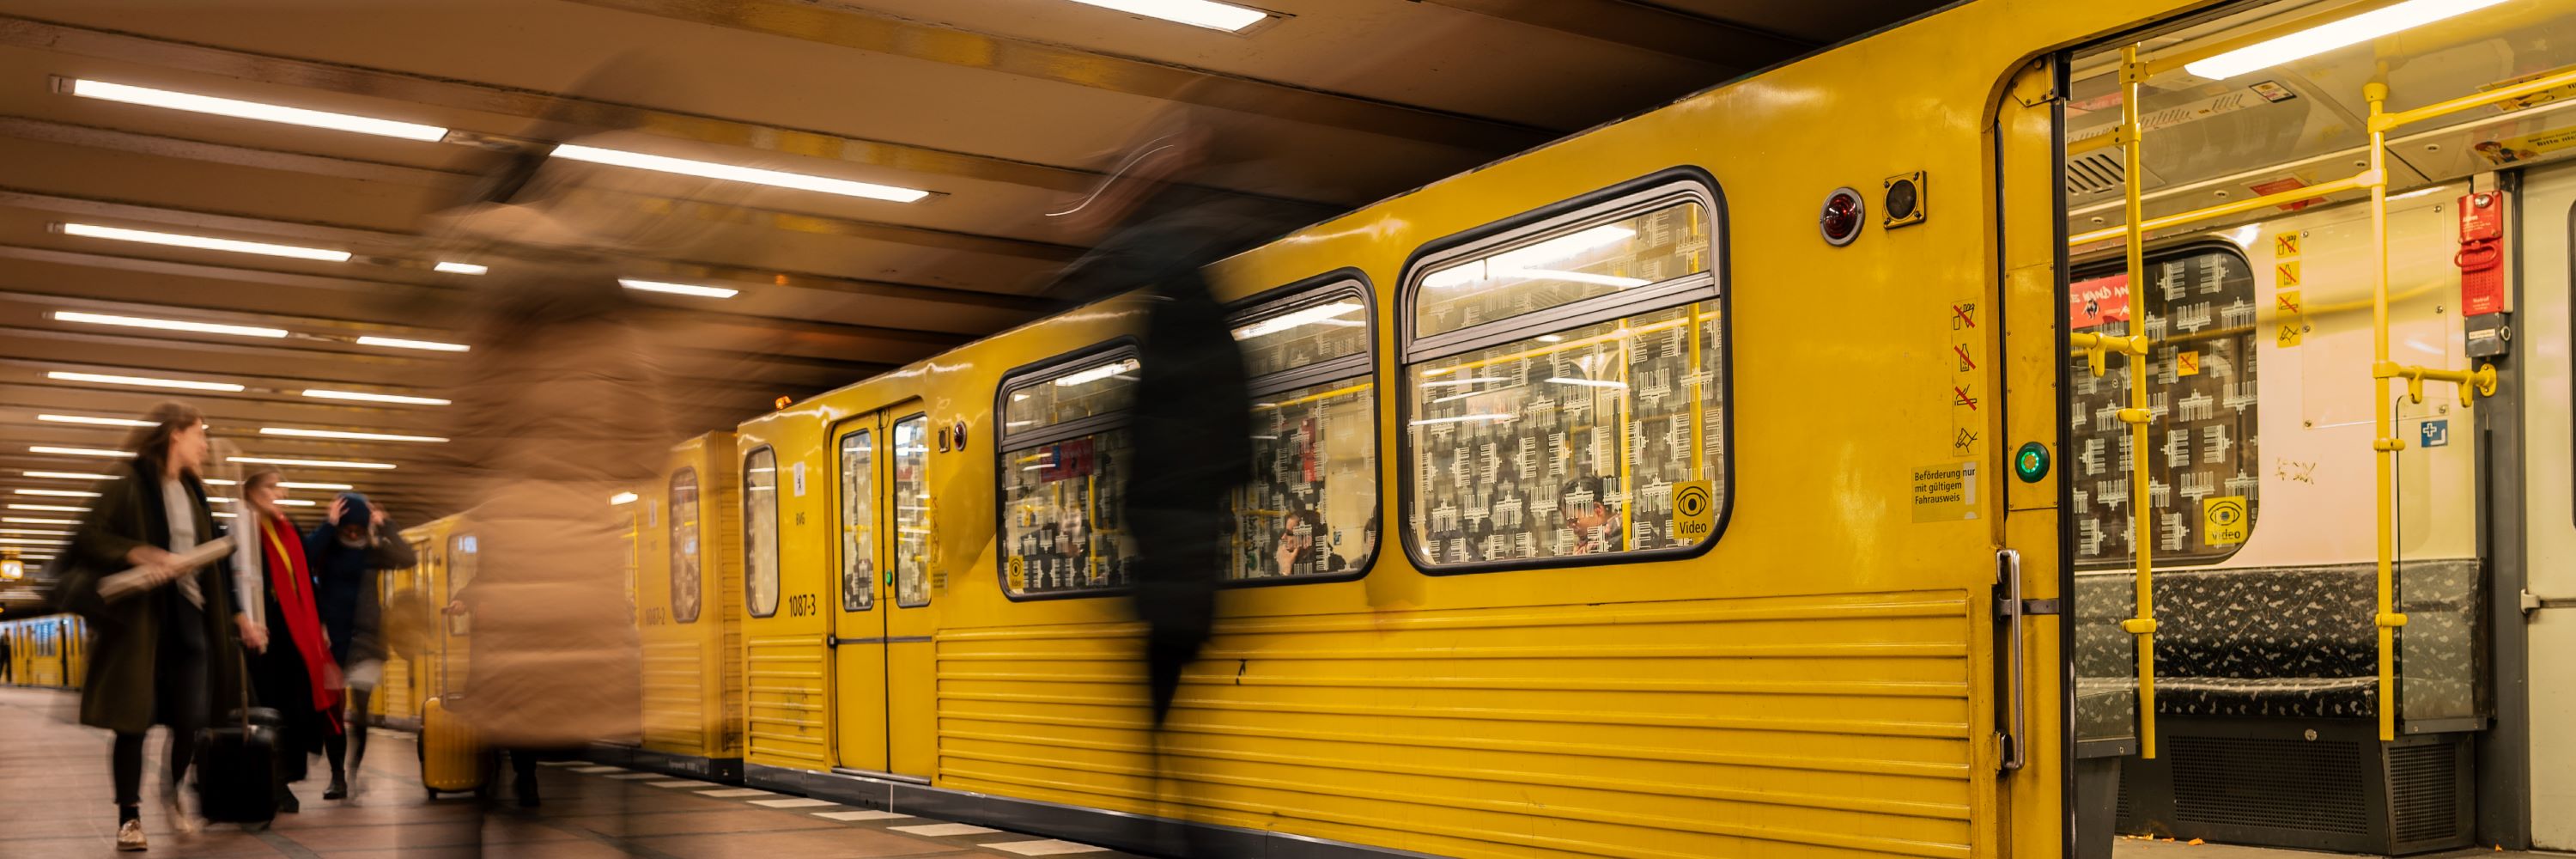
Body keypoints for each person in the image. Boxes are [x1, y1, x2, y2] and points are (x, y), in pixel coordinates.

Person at [60, 401, 246, 852]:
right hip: (143, 622)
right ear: (175, 435)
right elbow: (86, 536)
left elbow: (212, 561)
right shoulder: (127, 483)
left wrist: (237, 613)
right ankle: (129, 817)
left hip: (191, 617)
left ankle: (173, 793)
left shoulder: (194, 492)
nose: (205, 444)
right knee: (133, 721)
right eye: (199, 433)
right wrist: (138, 552)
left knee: (192, 720)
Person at [234, 466, 343, 813]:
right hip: (264, 636)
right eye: (272, 487)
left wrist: (320, 622)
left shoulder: (287, 527)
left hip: (296, 634)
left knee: (297, 706)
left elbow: (306, 578)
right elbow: (236, 581)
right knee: (271, 706)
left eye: (280, 487)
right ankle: (274, 780)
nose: (280, 493)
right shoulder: (240, 530)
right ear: (251, 492)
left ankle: (284, 775)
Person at [304, 490, 414, 800]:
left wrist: (387, 524)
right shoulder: (328, 549)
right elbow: (305, 557)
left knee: (362, 712)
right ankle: (337, 776)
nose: (353, 534)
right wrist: (328, 526)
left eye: (358, 528)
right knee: (333, 712)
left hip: (367, 640)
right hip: (332, 642)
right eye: (347, 528)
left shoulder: (373, 552)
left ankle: (353, 770)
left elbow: (408, 558)